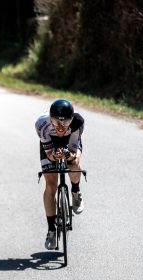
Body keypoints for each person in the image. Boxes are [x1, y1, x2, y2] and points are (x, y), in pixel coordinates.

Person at [35, 99, 85, 250]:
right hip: (50, 142)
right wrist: (54, 156)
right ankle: (51, 230)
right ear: (50, 119)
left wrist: (68, 155)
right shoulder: (41, 124)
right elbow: (49, 154)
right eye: (56, 122)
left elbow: (74, 153)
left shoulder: (77, 122)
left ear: (71, 119)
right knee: (51, 185)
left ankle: (75, 192)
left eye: (65, 122)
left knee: (74, 164)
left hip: (69, 143)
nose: (61, 127)